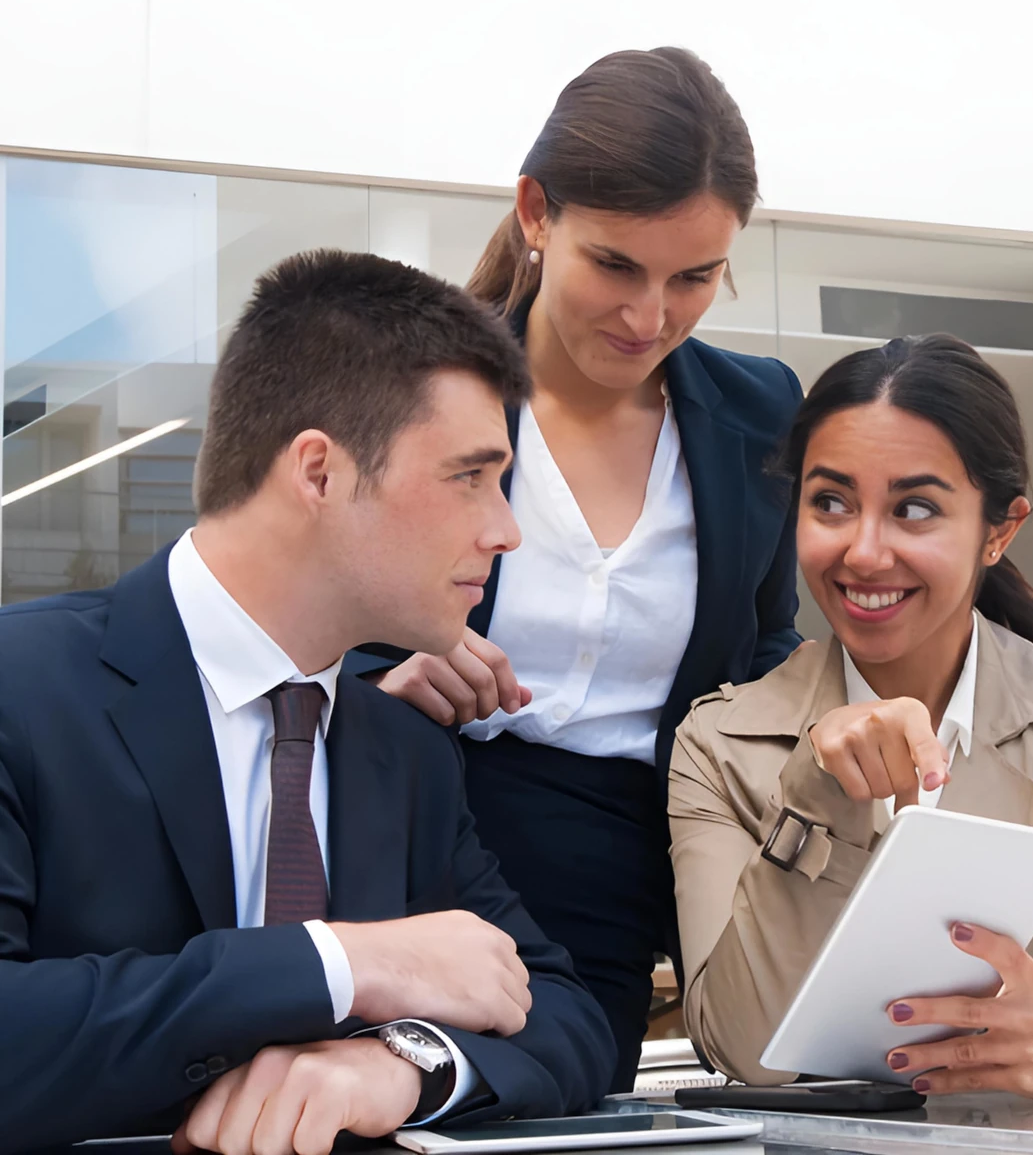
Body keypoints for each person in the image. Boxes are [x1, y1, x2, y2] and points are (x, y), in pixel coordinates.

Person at [0, 250, 615, 1154]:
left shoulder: (402, 752)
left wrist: (405, 1063)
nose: (506, 529)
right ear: (319, 473)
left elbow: (566, 1018)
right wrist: (345, 965)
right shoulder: (24, 688)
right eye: (468, 477)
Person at [347, 47, 803, 1089]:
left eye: (695, 277)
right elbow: (289, 611)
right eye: (617, 266)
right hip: (427, 830)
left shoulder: (762, 410)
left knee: (566, 1104)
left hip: (639, 861)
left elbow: (766, 636)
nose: (651, 317)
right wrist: (383, 676)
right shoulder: (411, 383)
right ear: (537, 214)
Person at [669, 334, 1033, 1101]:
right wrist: (820, 794)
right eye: (830, 502)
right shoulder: (720, 744)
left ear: (999, 530)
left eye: (915, 509)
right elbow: (741, 1048)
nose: (864, 551)